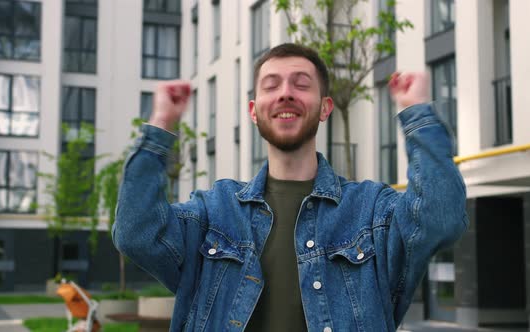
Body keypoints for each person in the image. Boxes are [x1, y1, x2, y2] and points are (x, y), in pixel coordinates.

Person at [113, 43, 467, 331]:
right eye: (271, 85)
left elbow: (441, 218)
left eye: (301, 84)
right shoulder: (214, 211)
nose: (285, 94)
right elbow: (136, 233)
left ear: (325, 107)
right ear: (254, 111)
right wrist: (161, 125)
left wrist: (417, 114)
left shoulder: (371, 211)